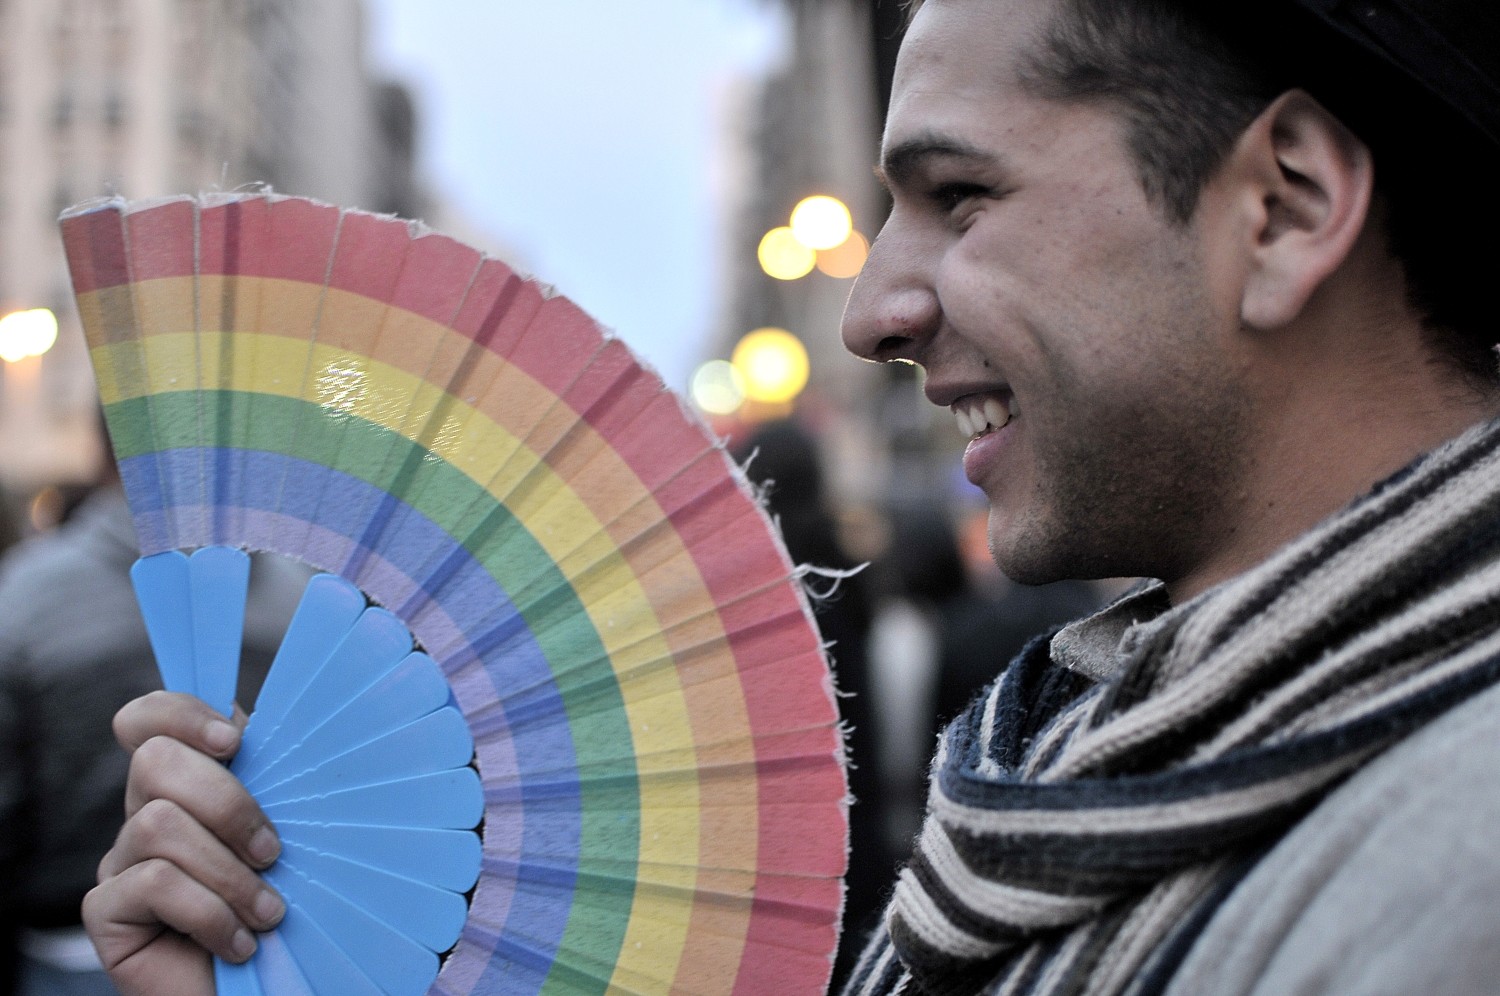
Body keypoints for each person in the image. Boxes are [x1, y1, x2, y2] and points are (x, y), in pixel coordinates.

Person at [77, 0, 1500, 994]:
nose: (874, 310)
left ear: (1288, 205)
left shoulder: (1452, 886)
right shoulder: (1082, 775)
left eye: (960, 196)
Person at [0, 452, 313, 996]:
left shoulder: (24, 592)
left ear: (106, 459)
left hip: (64, 941)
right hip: (272, 934)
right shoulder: (304, 595)